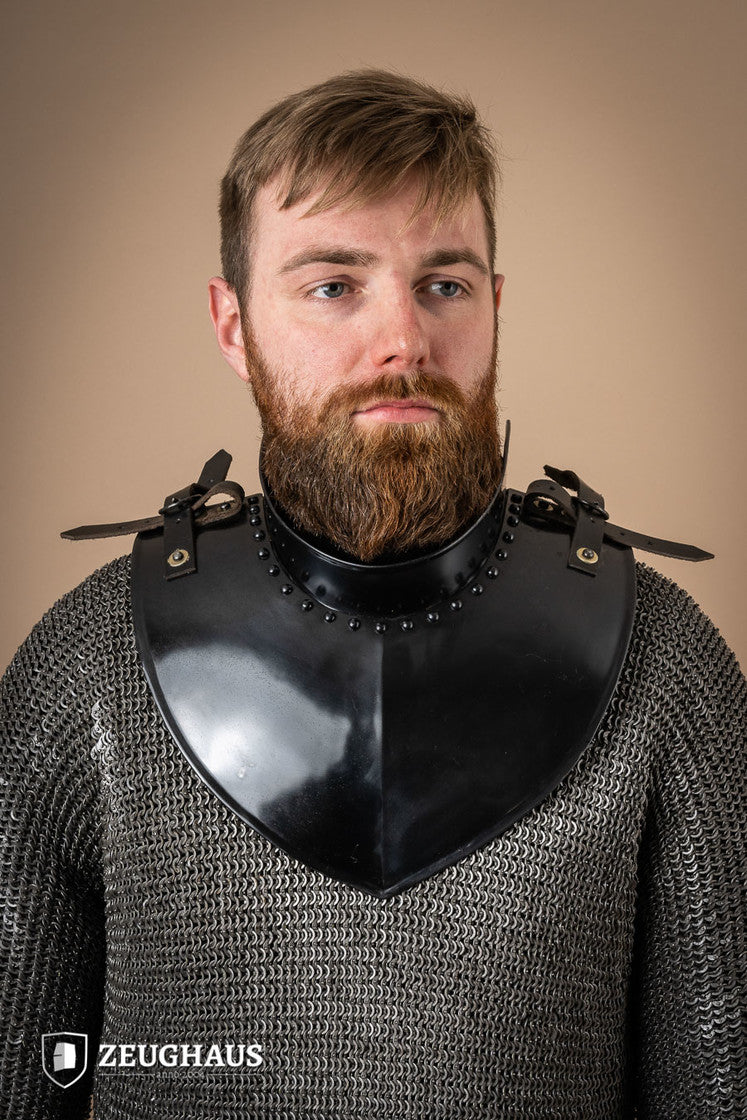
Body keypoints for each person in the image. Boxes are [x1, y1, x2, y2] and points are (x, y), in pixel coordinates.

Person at [1, 70, 744, 1120]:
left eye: (444, 284)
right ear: (232, 326)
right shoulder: (88, 664)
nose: (403, 340)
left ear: (495, 306)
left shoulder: (663, 665)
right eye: (332, 286)